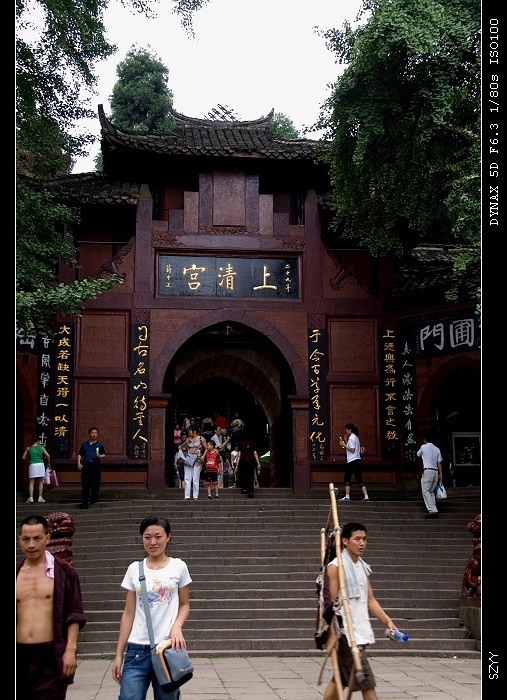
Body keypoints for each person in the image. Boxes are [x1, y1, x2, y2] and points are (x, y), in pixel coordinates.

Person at [112, 515, 192, 700]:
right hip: (136, 650)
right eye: (147, 537)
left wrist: (177, 626)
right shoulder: (134, 569)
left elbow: (185, 604)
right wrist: (119, 654)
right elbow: (128, 613)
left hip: (168, 649)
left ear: (168, 537)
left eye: (158, 536)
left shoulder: (178, 566)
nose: (153, 542)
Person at [323, 522, 400, 700]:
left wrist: (387, 621)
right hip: (346, 635)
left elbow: (370, 600)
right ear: (345, 541)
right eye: (357, 539)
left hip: (359, 631)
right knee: (367, 683)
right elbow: (330, 604)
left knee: (341, 680)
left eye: (364, 539)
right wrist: (330, 634)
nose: (362, 543)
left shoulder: (362, 566)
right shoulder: (336, 567)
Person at [16, 514, 86, 699]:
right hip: (19, 655)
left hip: (49, 655)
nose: (31, 545)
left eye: (37, 538)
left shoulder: (64, 571)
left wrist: (70, 650)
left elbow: (74, 613)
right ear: (19, 539)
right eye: (26, 539)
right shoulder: (16, 573)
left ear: (47, 538)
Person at [338, 423, 370, 501]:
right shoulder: (356, 437)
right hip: (357, 460)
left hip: (352, 461)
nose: (346, 431)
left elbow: (352, 449)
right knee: (359, 479)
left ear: (350, 430)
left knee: (347, 478)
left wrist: (343, 445)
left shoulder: (352, 438)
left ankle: (347, 496)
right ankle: (366, 496)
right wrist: (346, 441)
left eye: (346, 429)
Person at [77, 426, 106, 509]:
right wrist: (79, 463)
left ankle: (94, 498)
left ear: (97, 434)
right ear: (89, 434)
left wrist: (99, 456)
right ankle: (85, 502)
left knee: (95, 484)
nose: (94, 434)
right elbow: (80, 454)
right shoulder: (84, 444)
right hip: (86, 465)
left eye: (95, 433)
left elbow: (104, 455)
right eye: (92, 433)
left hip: (95, 465)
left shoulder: (99, 445)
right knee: (85, 484)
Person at [417, 434, 444, 518]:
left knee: (425, 490)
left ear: (425, 440)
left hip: (428, 471)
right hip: (435, 471)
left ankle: (433, 510)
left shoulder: (423, 447)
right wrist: (441, 474)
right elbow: (439, 462)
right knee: (431, 491)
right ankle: (433, 508)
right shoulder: (437, 449)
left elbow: (418, 454)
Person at [22, 437, 51, 503]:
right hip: (40, 465)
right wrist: (49, 463)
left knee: (31, 482)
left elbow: (23, 457)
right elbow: (48, 456)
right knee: (40, 481)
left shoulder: (28, 448)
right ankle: (40, 497)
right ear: (38, 441)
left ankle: (31, 498)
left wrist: (29, 456)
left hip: (32, 465)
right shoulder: (41, 448)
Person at [181, 426, 206, 500]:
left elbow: (206, 448)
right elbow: (185, 449)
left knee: (195, 479)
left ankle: (195, 496)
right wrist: (182, 449)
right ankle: (187, 496)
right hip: (189, 459)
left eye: (190, 431)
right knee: (187, 478)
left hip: (197, 460)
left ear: (194, 431)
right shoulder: (188, 439)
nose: (189, 432)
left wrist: (203, 456)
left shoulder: (201, 439)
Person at [237, 431, 261, 498]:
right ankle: (251, 492)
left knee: (244, 475)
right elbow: (255, 453)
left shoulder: (241, 444)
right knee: (250, 476)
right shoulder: (252, 443)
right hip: (251, 461)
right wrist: (258, 463)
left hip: (243, 461)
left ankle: (244, 488)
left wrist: (237, 465)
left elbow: (239, 455)